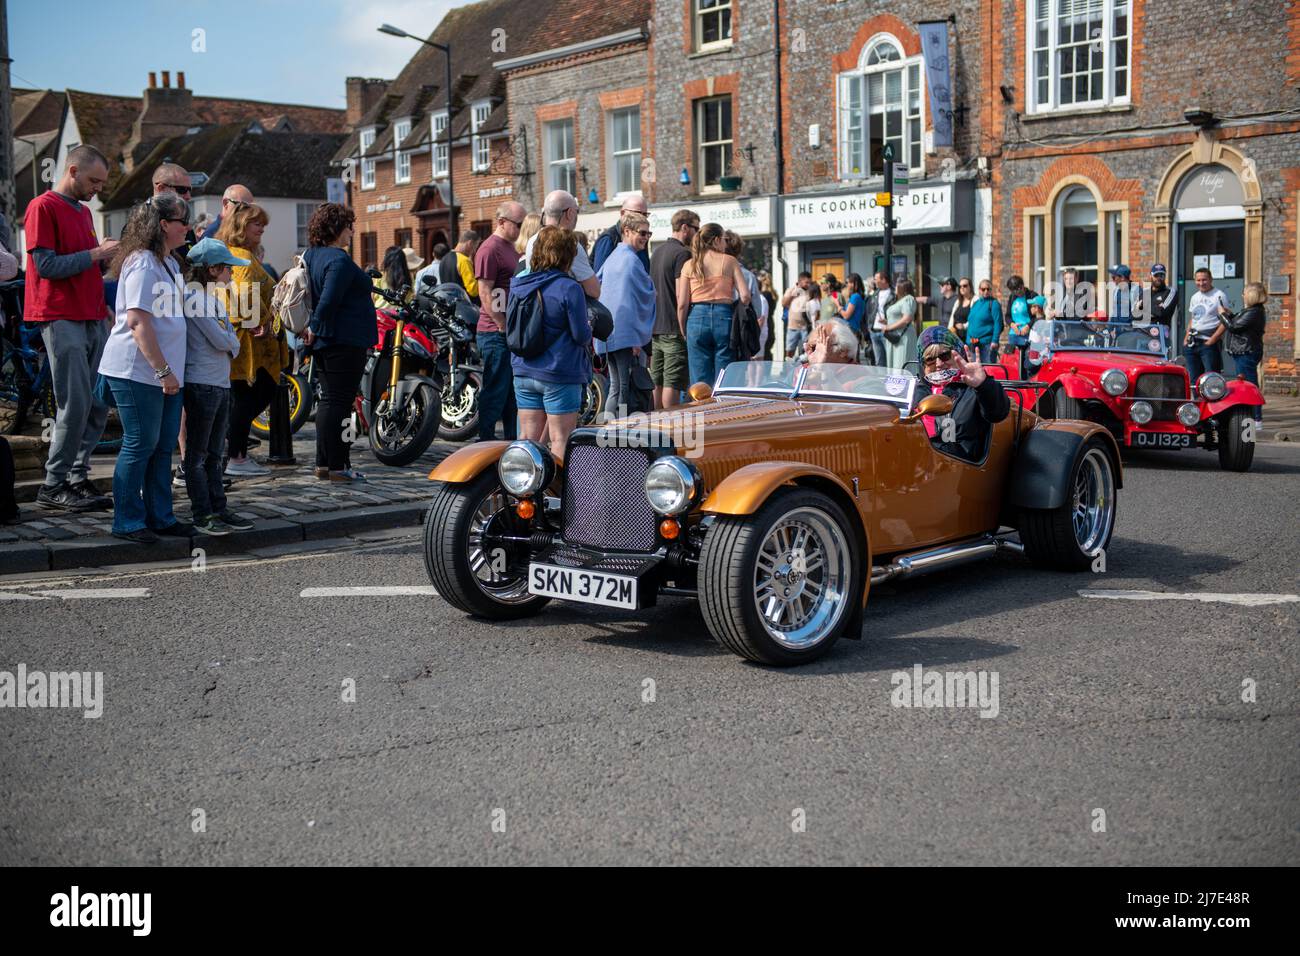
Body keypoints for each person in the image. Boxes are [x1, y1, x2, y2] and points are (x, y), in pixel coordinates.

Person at [27, 145, 118, 513]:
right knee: (75, 402)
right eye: (94, 180)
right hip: (59, 314)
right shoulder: (42, 207)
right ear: (73, 171)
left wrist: (105, 301)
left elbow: (83, 266)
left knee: (97, 403)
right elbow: (46, 266)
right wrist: (97, 255)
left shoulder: (82, 212)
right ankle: (53, 484)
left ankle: (77, 479)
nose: (98, 188)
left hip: (92, 314)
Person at [96, 193, 191, 542]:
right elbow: (137, 322)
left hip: (164, 373)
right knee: (140, 443)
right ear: (164, 225)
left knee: (163, 444)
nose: (188, 227)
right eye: (183, 221)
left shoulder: (168, 262)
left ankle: (160, 516)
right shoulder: (142, 263)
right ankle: (127, 520)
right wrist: (164, 371)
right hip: (137, 370)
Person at [302, 203, 376, 482]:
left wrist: (314, 330)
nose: (352, 231)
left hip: (327, 341)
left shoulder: (311, 255)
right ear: (336, 228)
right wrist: (315, 326)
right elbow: (329, 299)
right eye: (348, 226)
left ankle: (324, 463)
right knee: (342, 404)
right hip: (344, 339)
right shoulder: (339, 260)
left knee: (328, 402)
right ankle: (339, 465)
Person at [181, 238, 249, 533]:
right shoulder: (194, 299)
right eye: (227, 269)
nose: (232, 274)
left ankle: (218, 509)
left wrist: (230, 342)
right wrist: (231, 342)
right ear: (211, 269)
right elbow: (222, 339)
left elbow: (228, 338)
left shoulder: (211, 299)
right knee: (197, 457)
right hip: (202, 383)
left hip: (218, 383)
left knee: (214, 454)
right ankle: (203, 513)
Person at [217, 202, 287, 477]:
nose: (261, 229)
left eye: (262, 224)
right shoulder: (242, 257)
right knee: (253, 396)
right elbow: (244, 295)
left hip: (244, 339)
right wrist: (265, 321)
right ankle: (237, 456)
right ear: (241, 226)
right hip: (251, 344)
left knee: (244, 399)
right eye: (256, 223)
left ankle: (236, 455)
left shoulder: (235, 254)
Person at [509, 226, 592, 455]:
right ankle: (556, 492)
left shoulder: (517, 285)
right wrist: (589, 325)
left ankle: (523, 490)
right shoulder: (569, 287)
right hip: (559, 371)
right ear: (567, 255)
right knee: (560, 440)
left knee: (526, 439)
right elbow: (581, 335)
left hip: (523, 370)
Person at [916, 326, 1010, 463]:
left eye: (944, 356)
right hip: (918, 464)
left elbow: (998, 412)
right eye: (930, 359)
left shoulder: (971, 388)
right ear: (922, 365)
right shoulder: (916, 390)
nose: (938, 364)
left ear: (957, 354)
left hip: (958, 467)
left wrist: (983, 385)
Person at [475, 201, 526, 442]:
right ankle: (484, 442)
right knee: (495, 391)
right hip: (494, 331)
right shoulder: (490, 249)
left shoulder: (508, 247)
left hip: (506, 329)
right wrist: (501, 323)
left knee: (510, 394)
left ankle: (509, 442)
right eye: (518, 224)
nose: (521, 228)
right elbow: (484, 290)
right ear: (502, 222)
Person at [677, 222, 750, 388]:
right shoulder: (730, 261)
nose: (725, 243)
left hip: (696, 317)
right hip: (724, 316)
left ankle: (701, 411)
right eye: (724, 239)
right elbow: (745, 296)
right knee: (724, 374)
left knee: (699, 379)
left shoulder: (689, 265)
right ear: (716, 240)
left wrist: (683, 328)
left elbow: (682, 303)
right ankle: (722, 410)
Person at [597, 212, 655, 416]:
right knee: (624, 387)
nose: (646, 238)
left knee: (615, 386)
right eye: (642, 233)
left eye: (649, 233)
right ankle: (619, 431)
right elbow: (633, 301)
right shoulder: (630, 261)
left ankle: (610, 429)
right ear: (627, 231)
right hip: (624, 335)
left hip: (609, 335)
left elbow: (600, 288)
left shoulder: (613, 257)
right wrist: (636, 339)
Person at [648, 209, 698, 408]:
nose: (697, 233)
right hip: (673, 328)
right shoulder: (683, 253)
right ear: (685, 227)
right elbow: (681, 294)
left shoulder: (657, 251)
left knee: (657, 382)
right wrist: (683, 327)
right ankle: (670, 429)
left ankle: (655, 427)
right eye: (696, 228)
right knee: (673, 382)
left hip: (656, 328)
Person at [524, 191, 601, 298]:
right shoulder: (570, 244)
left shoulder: (532, 241)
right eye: (576, 211)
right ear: (569, 212)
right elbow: (594, 290)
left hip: (538, 309)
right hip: (565, 310)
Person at [1220, 282, 1266, 421]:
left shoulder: (1254, 312)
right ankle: (1253, 416)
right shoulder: (1251, 311)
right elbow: (1239, 322)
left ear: (1251, 295)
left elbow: (1234, 327)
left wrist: (1221, 315)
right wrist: (1230, 314)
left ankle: (1256, 417)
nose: (1242, 295)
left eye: (1244, 293)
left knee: (1249, 385)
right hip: (1243, 351)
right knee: (1246, 383)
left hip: (1246, 352)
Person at [725, 230, 766, 359]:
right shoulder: (748, 276)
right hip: (740, 333)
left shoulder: (711, 274)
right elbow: (758, 312)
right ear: (739, 251)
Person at [1185, 266, 1229, 381]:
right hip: (1192, 343)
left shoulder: (1219, 296)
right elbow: (1193, 319)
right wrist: (1186, 338)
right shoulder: (1195, 297)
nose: (1201, 283)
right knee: (1194, 379)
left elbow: (1225, 321)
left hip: (1209, 342)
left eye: (1204, 280)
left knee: (1212, 378)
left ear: (1210, 280)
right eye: (1198, 280)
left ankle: (1211, 400)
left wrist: (1212, 340)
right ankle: (1197, 399)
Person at [591, 194, 650, 272]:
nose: (641, 217)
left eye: (645, 214)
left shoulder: (641, 238)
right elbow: (600, 277)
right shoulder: (609, 239)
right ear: (622, 213)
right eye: (637, 213)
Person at [881, 277, 919, 370]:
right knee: (895, 365)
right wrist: (886, 322)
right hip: (895, 337)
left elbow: (907, 319)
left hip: (902, 337)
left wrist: (889, 327)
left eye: (897, 286)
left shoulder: (908, 299)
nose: (895, 288)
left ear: (902, 288)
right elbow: (898, 318)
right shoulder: (899, 301)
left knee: (901, 363)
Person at [966, 279, 1003, 363]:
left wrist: (995, 341)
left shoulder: (994, 304)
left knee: (988, 371)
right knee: (975, 371)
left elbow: (998, 323)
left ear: (991, 290)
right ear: (979, 290)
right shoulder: (975, 303)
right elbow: (970, 322)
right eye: (983, 289)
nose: (986, 291)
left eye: (988, 289)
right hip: (973, 344)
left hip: (987, 344)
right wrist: (968, 340)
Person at [438, 231, 481, 301]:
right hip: (464, 306)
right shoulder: (464, 260)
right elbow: (473, 291)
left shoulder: (444, 259)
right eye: (475, 247)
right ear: (470, 243)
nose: (474, 251)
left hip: (448, 304)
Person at [781, 270, 813, 358]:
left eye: (810, 283)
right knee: (789, 352)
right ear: (800, 281)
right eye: (806, 282)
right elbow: (783, 303)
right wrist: (793, 294)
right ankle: (787, 370)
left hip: (805, 327)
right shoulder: (790, 290)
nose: (808, 285)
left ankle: (805, 370)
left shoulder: (809, 292)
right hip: (792, 327)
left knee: (807, 352)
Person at [867, 271, 893, 366]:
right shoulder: (875, 294)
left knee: (890, 360)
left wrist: (888, 321)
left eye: (876, 279)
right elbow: (869, 311)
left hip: (886, 331)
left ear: (883, 280)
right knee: (879, 361)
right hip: (874, 331)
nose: (874, 281)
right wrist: (869, 328)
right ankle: (881, 380)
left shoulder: (893, 294)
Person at [837, 272, 868, 351]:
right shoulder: (857, 296)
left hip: (850, 328)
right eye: (847, 282)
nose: (848, 285)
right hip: (854, 328)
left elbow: (847, 315)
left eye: (850, 282)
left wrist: (839, 307)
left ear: (856, 284)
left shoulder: (855, 297)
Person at [1148, 263, 1179, 332]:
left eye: (1161, 275)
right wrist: (1156, 308)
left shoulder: (1170, 292)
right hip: (1142, 333)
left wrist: (1144, 307)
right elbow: (1135, 314)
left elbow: (1161, 312)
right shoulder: (1145, 292)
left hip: (1160, 335)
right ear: (1150, 276)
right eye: (1156, 275)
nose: (1159, 278)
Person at [949, 277, 974, 342]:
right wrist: (949, 331)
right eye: (960, 286)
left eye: (965, 286)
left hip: (968, 337)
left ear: (970, 287)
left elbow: (975, 319)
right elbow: (952, 318)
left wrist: (964, 326)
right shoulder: (958, 301)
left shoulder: (975, 300)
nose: (962, 288)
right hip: (955, 337)